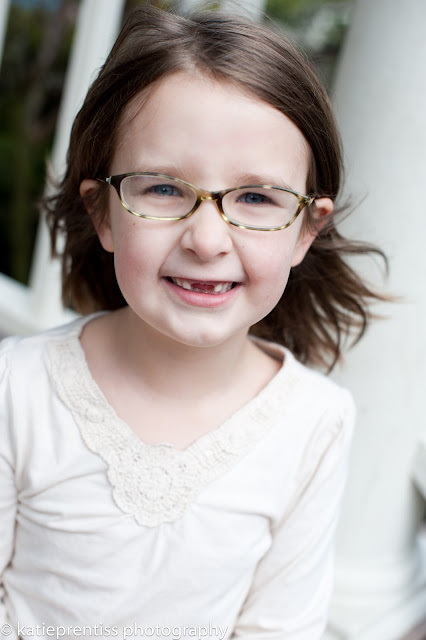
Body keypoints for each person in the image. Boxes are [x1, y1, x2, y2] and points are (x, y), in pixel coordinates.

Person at [0, 6, 385, 640]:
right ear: (102, 214)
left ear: (305, 231)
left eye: (256, 197)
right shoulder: (18, 388)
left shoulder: (316, 423)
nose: (207, 240)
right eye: (162, 188)